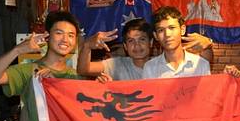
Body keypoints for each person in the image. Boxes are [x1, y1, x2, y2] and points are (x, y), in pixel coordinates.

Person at [77, 18, 214, 82]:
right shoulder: (116, 65)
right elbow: (83, 69)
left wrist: (208, 44)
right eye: (131, 41)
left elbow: (203, 62)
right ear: (125, 46)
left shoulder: (160, 64)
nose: (137, 46)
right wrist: (87, 46)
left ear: (151, 42)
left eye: (142, 40)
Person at [143, 6, 211, 78]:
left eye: (172, 28)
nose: (167, 34)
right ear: (155, 35)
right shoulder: (150, 68)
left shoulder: (201, 64)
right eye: (161, 30)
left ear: (182, 30)